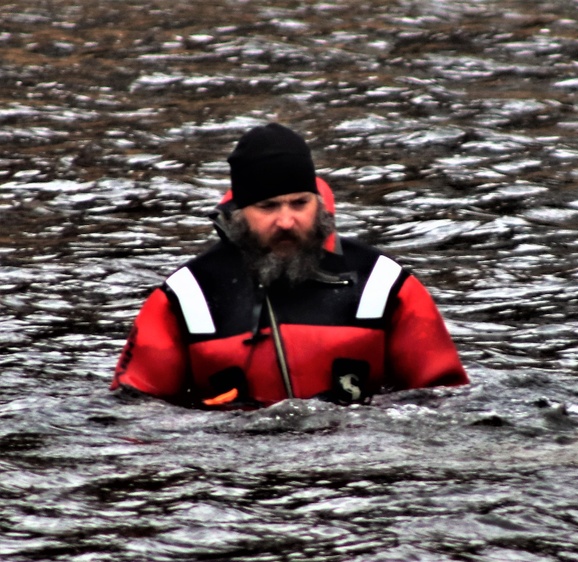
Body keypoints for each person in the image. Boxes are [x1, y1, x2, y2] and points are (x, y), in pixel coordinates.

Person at [111, 122, 469, 408]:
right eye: (268, 207)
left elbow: (446, 400)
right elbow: (135, 412)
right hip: (232, 485)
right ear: (239, 214)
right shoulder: (187, 297)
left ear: (317, 204)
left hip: (356, 481)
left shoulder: (382, 284)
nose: (286, 221)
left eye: (299, 203)